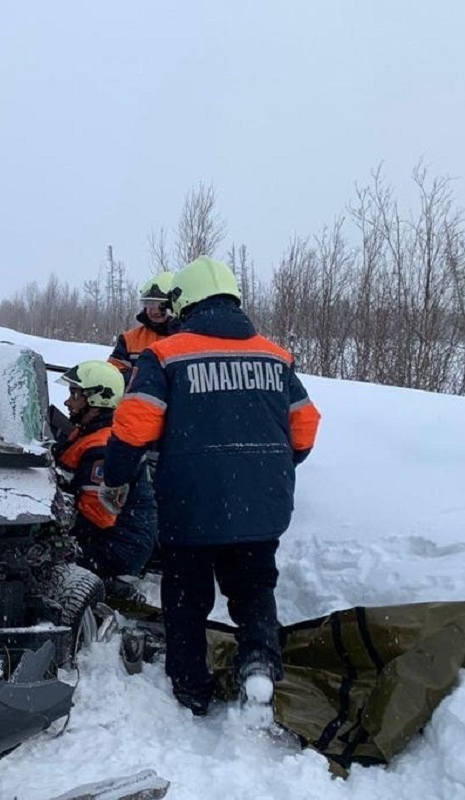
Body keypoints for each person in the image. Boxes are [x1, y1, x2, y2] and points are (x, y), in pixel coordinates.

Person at [102, 256, 321, 717]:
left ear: (185, 302)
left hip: (191, 502)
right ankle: (259, 664)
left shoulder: (165, 355)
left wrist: (116, 477)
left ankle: (191, 688)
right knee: (254, 588)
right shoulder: (276, 357)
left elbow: (132, 428)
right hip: (263, 503)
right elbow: (304, 429)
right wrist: (272, 468)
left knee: (187, 595)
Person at [52, 360, 157, 599]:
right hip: (116, 539)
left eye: (75, 394)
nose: (68, 401)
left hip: (117, 547)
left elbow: (97, 516)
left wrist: (48, 531)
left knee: (37, 563)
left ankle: (110, 586)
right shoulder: (89, 431)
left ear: (96, 399)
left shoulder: (103, 447)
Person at [108, 272, 175, 385]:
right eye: (149, 304)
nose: (154, 310)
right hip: (137, 401)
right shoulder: (129, 340)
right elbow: (112, 373)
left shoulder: (187, 337)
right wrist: (145, 380)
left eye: (160, 305)